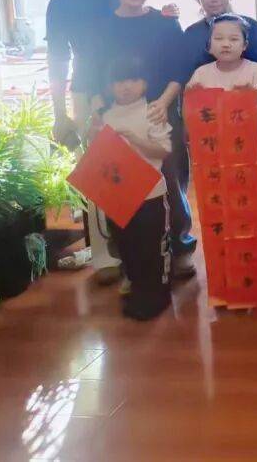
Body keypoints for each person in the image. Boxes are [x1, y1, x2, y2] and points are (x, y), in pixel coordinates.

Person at [92, 0, 196, 279]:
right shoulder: (104, 26)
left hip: (159, 113)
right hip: (118, 117)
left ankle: (180, 247)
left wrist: (163, 103)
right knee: (121, 186)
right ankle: (129, 260)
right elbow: (93, 73)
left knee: (171, 181)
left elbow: (179, 70)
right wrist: (97, 111)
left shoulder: (165, 23)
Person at [99, 55, 173, 321]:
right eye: (119, 81)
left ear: (145, 83)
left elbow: (164, 150)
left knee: (152, 248)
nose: (126, 86)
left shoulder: (152, 111)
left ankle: (158, 296)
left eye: (133, 79)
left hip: (151, 194)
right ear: (110, 86)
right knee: (127, 246)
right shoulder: (105, 116)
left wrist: (135, 140)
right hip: (119, 196)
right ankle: (138, 291)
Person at [46, 0, 115, 147]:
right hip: (84, 93)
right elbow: (58, 60)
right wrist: (59, 113)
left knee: (137, 164)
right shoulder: (59, 4)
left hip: (130, 91)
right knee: (94, 164)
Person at [186, 14, 257, 109]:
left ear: (244, 45)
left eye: (234, 39)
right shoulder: (200, 74)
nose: (226, 44)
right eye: (219, 38)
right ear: (209, 46)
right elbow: (190, 106)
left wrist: (253, 99)